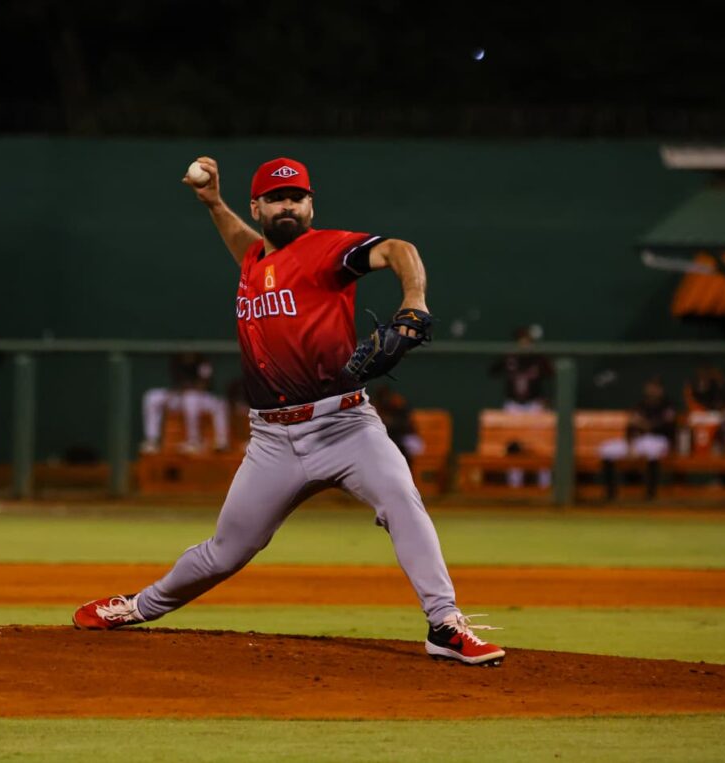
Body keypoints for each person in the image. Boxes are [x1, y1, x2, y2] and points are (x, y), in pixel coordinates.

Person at [73, 156, 505, 666]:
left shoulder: (327, 250)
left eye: (296, 197)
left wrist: (415, 299)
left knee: (401, 500)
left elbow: (398, 249)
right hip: (272, 441)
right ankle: (138, 607)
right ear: (257, 205)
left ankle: (445, 624)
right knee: (226, 551)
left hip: (345, 425)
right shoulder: (256, 260)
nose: (288, 205)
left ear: (310, 204)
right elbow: (244, 247)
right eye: (276, 198)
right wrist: (213, 204)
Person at [489, 326, 553, 488]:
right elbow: (493, 370)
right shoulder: (511, 357)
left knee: (540, 445)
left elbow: (552, 373)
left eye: (527, 340)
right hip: (513, 405)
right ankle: (514, 486)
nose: (524, 343)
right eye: (521, 340)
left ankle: (545, 486)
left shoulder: (538, 358)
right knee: (513, 444)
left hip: (534, 404)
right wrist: (509, 355)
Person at [598, 377, 676, 500]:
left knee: (652, 450)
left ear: (661, 390)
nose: (652, 390)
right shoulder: (641, 405)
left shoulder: (667, 405)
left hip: (659, 440)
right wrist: (630, 444)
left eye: (655, 388)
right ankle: (610, 493)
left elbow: (664, 425)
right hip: (639, 441)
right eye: (650, 387)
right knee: (606, 449)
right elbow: (631, 425)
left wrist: (644, 424)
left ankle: (651, 494)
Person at [139, 352, 230, 454]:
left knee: (191, 399)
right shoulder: (176, 361)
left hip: (202, 397)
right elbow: (176, 384)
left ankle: (194, 442)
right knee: (152, 397)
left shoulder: (203, 363)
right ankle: (152, 440)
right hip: (180, 396)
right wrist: (175, 392)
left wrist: (185, 390)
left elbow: (203, 385)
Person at [372, 386, 425, 468]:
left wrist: (391, 422)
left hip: (407, 438)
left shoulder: (398, 403)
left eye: (386, 396)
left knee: (407, 447)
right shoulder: (375, 408)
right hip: (390, 439)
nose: (385, 399)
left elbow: (406, 425)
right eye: (382, 397)